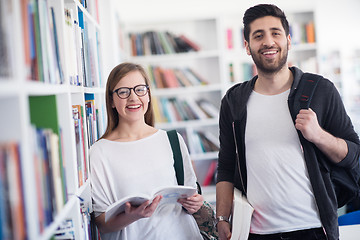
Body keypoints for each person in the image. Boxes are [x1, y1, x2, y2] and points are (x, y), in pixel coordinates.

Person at [215, 4, 360, 240]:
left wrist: (319, 135)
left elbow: (353, 154)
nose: (268, 42)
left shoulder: (320, 90)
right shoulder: (234, 100)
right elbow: (227, 165)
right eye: (258, 35)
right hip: (256, 233)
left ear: (289, 40)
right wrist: (222, 218)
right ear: (247, 46)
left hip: (314, 229)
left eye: (275, 33)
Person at [90, 62, 204, 240]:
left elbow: (192, 194)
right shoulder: (99, 152)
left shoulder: (172, 140)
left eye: (140, 89)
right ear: (111, 100)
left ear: (148, 95)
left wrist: (195, 203)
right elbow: (101, 223)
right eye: (123, 91)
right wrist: (133, 216)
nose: (133, 97)